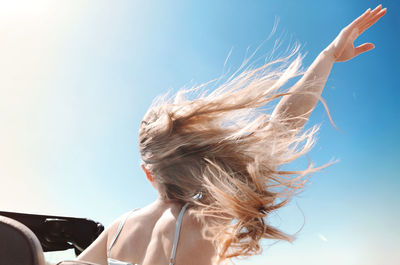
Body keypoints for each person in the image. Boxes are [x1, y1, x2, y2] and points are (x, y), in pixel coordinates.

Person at [76, 5, 386, 265]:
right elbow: (282, 126)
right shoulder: (204, 218)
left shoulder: (120, 227)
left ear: (148, 172)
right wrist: (328, 56)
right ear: (199, 157)